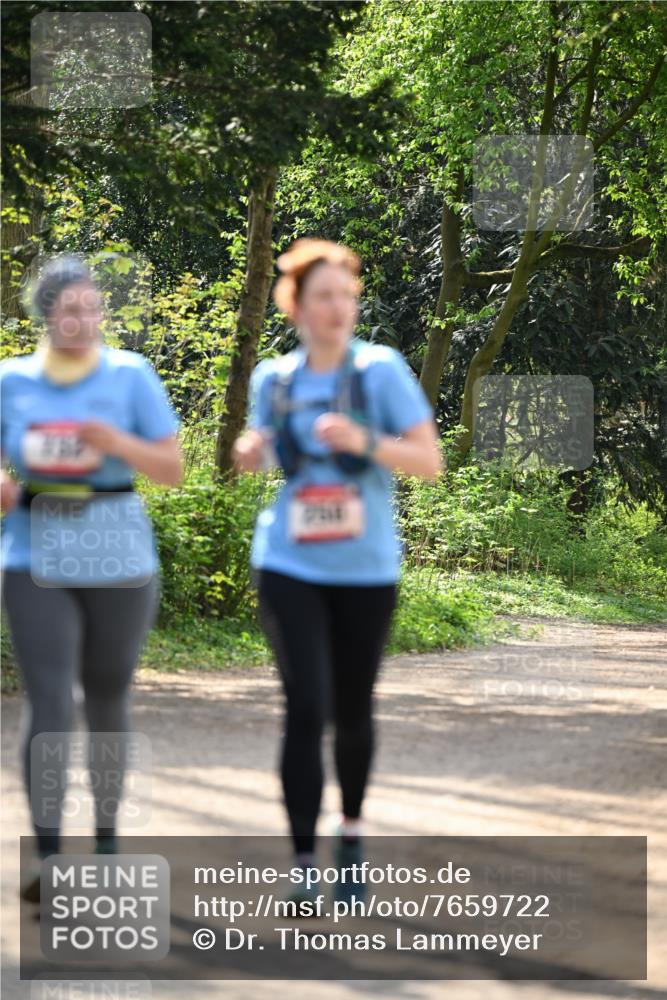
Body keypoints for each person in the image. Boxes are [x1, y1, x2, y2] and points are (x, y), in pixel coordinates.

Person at [232, 238, 442, 907]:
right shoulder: (274, 380)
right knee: (305, 707)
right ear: (295, 305)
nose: (338, 307)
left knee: (351, 710)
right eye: (323, 295)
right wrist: (251, 450)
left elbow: (429, 461)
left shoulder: (381, 371)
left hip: (365, 567)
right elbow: (268, 454)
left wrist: (366, 441)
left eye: (346, 295)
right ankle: (302, 862)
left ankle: (349, 836)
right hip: (288, 561)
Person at [0, 255, 183, 901]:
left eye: (90, 306)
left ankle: (105, 840)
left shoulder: (131, 375)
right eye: (67, 308)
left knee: (107, 695)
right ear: (45, 313)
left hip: (118, 552)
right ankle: (49, 855)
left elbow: (171, 469)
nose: (81, 318)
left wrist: (116, 442)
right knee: (50, 699)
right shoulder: (11, 380)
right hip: (34, 550)